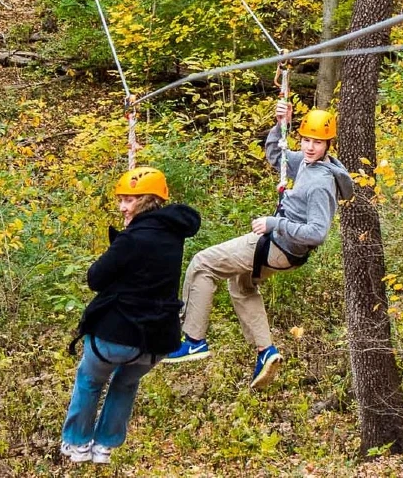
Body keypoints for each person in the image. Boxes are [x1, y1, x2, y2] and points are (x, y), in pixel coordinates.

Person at [164, 102, 353, 390]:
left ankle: (192, 340)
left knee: (202, 264)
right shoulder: (305, 162)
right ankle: (266, 352)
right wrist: (281, 124)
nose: (310, 147)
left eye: (317, 142)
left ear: (329, 144)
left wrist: (273, 224)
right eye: (306, 140)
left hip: (278, 246)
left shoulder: (321, 182)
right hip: (282, 248)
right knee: (241, 287)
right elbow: (276, 157)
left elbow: (317, 233)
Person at [60, 167, 200, 464]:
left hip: (117, 336)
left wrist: (122, 241)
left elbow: (95, 278)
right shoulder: (174, 234)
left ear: (147, 201)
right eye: (122, 199)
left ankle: (78, 443)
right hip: (156, 342)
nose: (123, 206)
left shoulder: (132, 239)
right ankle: (105, 447)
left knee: (89, 379)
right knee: (125, 383)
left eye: (130, 201)